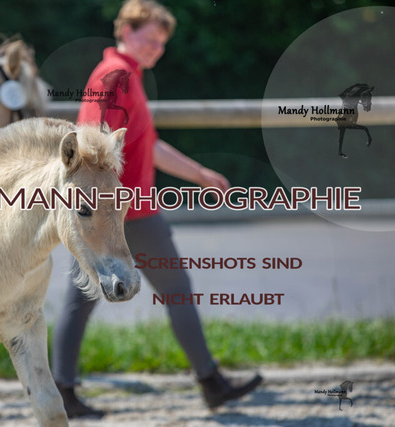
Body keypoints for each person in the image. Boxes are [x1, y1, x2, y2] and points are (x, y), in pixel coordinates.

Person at [51, 0, 262, 418]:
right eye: (149, 38)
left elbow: (149, 144)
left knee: (83, 297)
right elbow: (92, 142)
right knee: (174, 291)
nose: (156, 48)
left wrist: (199, 173)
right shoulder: (117, 77)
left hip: (122, 211)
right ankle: (211, 382)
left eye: (162, 43)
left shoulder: (124, 74)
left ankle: (61, 391)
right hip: (130, 214)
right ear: (126, 31)